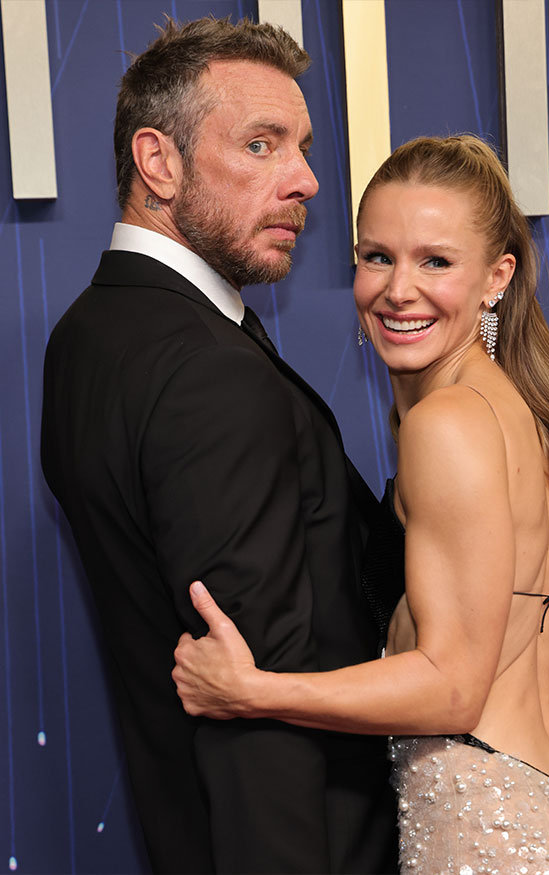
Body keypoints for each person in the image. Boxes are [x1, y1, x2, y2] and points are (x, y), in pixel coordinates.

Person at [172, 135, 549, 874]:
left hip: (492, 835)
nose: (399, 289)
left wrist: (252, 689)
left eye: (436, 261)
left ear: (497, 277)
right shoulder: (528, 410)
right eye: (377, 256)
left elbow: (454, 690)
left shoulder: (446, 424)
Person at [41, 16, 397, 875]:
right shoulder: (208, 369)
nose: (307, 179)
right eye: (262, 144)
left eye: (303, 148)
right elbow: (254, 700)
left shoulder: (87, 334)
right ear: (157, 161)